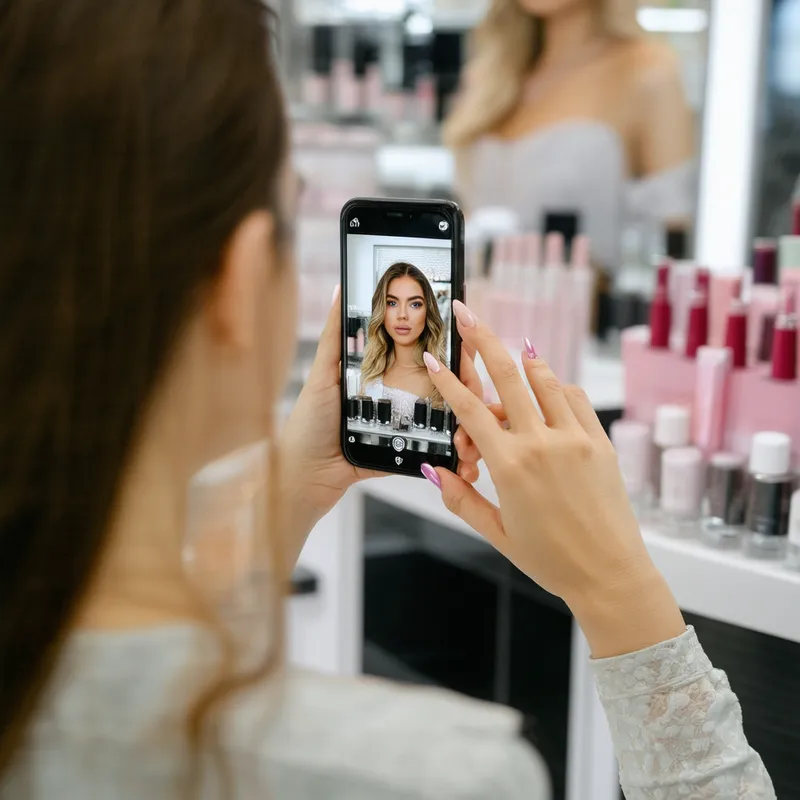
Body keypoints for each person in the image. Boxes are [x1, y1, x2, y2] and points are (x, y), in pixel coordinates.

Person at [0, 1, 776, 799]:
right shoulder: (440, 777)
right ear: (239, 282)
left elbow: (131, 685)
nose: (401, 314)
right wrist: (621, 591)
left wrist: (289, 496)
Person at [444, 0, 696, 271]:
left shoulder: (647, 71)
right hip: (475, 305)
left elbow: (672, 231)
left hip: (590, 307)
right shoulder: (487, 76)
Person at [360, 262, 448, 419]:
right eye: (392, 303)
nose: (402, 315)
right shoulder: (371, 369)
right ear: (381, 309)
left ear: (428, 312)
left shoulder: (438, 381)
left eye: (415, 304)